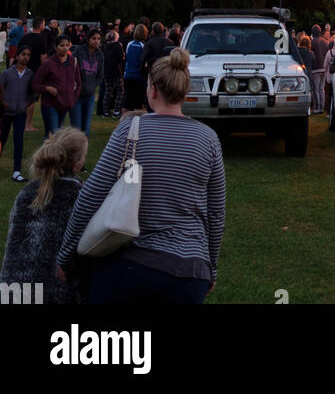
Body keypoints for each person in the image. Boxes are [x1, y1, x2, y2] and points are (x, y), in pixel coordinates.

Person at [58, 49, 225, 303]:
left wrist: (66, 256)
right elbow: (215, 213)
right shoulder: (209, 139)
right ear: (184, 92)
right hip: (190, 271)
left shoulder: (131, 128)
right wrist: (210, 267)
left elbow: (92, 194)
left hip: (131, 263)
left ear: (153, 90)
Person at [0, 127, 89, 304]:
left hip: (14, 286)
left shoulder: (27, 192)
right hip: (55, 291)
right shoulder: (80, 196)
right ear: (76, 164)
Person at [32, 36, 81, 138]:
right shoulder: (48, 63)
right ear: (55, 47)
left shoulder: (73, 62)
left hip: (65, 104)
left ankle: (50, 152)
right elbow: (35, 84)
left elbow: (78, 83)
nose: (65, 48)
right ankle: (47, 153)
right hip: (50, 104)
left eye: (67, 45)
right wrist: (47, 88)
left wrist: (73, 97)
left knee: (57, 135)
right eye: (62, 45)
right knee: (52, 135)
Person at [1, 45, 35, 182]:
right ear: (17, 56)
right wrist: (3, 103)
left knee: (18, 141)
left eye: (28, 55)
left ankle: (16, 171)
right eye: (23, 54)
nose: (26, 57)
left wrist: (26, 103)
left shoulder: (30, 74)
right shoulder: (7, 73)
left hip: (20, 113)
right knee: (2, 140)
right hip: (6, 113)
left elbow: (32, 92)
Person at [70, 29, 104, 141]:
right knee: (77, 127)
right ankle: (74, 150)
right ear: (88, 39)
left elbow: (100, 75)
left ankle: (82, 153)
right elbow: (71, 68)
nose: (96, 41)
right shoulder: (79, 51)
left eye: (98, 39)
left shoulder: (100, 55)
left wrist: (93, 86)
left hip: (89, 95)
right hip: (77, 95)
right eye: (94, 38)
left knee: (86, 127)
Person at [123, 23, 148, 112]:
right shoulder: (143, 46)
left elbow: (126, 58)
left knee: (127, 100)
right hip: (138, 77)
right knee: (138, 102)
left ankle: (124, 122)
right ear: (144, 33)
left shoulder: (129, 44)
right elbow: (145, 63)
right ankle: (136, 123)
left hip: (128, 76)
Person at [101, 30, 125, 117]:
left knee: (108, 92)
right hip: (116, 72)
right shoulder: (118, 45)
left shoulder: (104, 45)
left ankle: (105, 112)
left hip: (106, 71)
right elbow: (121, 58)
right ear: (116, 37)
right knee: (120, 91)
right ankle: (117, 111)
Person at [309, 25, 329, 115]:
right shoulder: (325, 41)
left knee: (316, 89)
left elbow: (311, 55)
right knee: (321, 88)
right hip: (323, 68)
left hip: (315, 68)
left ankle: (317, 107)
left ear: (313, 32)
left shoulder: (312, 42)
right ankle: (322, 107)